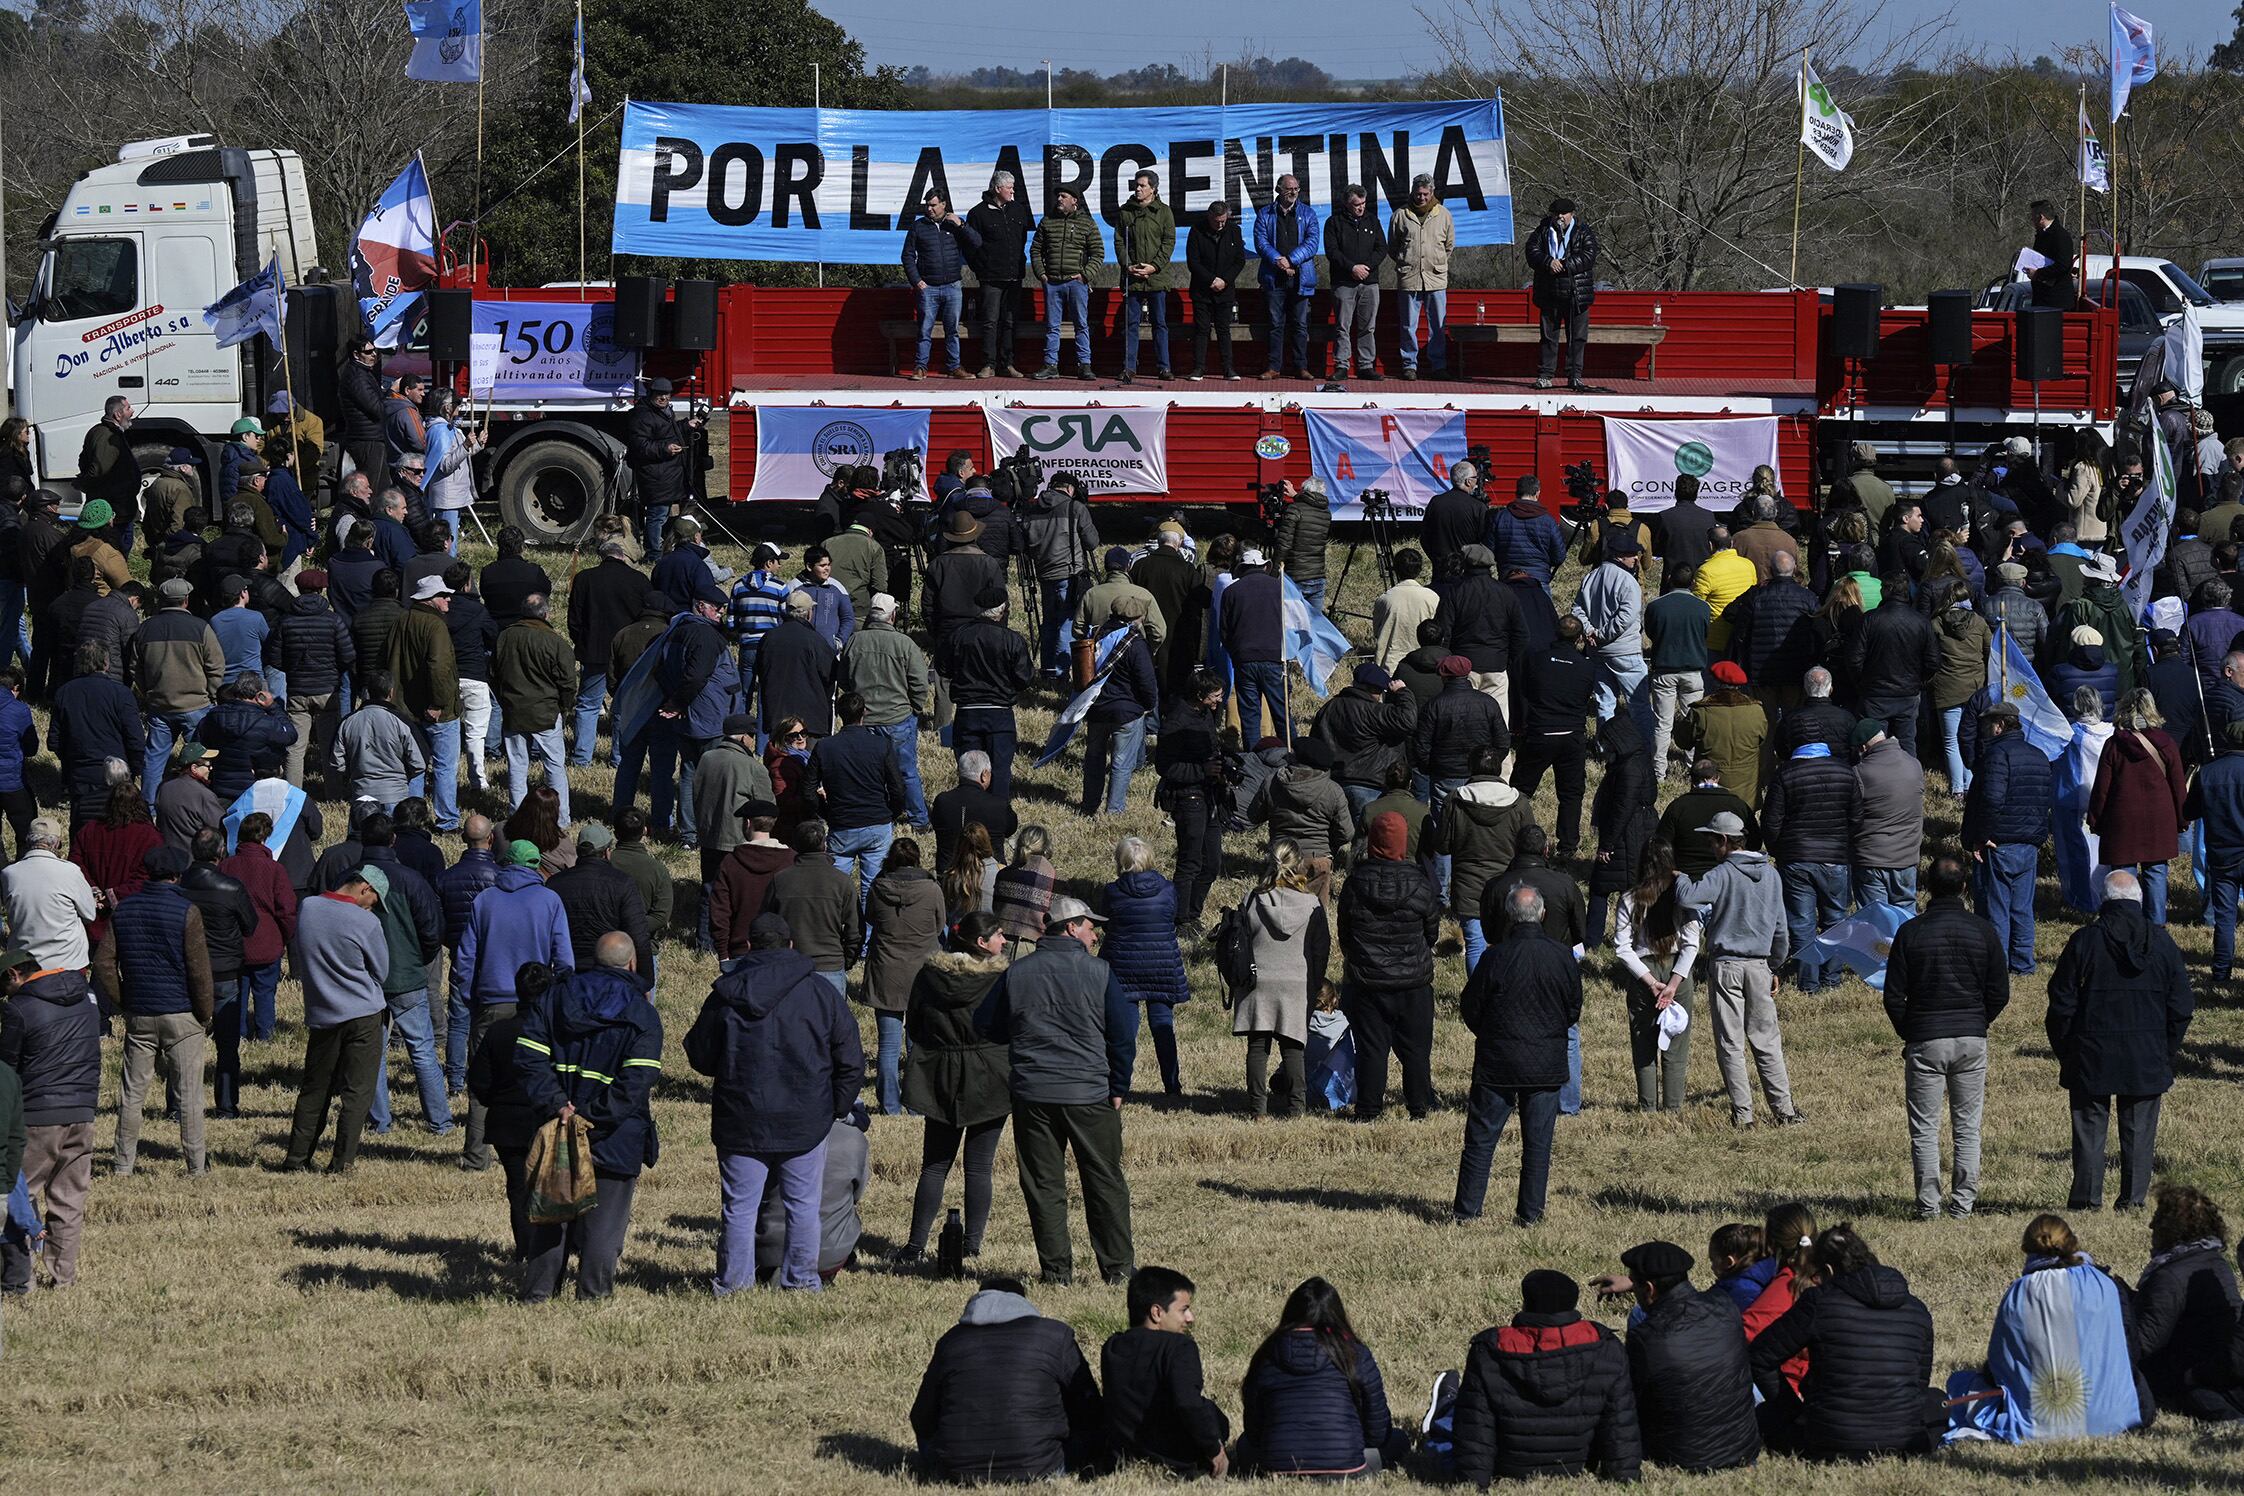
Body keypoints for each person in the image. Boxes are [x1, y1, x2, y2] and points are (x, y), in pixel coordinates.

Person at [683, 910, 862, 1295]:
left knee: (740, 1208)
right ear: (792, 945)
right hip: (806, 1117)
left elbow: (699, 1055)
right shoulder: (820, 994)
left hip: (741, 1115)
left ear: (748, 946)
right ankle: (800, 1280)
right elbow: (850, 1058)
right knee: (803, 1206)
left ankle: (734, 1285)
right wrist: (836, 1108)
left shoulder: (726, 994)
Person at [974, 894, 1134, 1286]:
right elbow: (1123, 1033)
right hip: (1089, 1094)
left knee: (1044, 1186)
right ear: (1072, 927)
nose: (1095, 935)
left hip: (1034, 1094)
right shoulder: (1100, 973)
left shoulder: (1017, 971)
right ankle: (1118, 1270)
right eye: (1090, 926)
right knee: (1104, 1182)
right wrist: (1119, 1084)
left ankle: (1057, 1272)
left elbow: (986, 1025)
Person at [516, 934, 663, 1302]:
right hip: (616, 1134)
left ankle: (537, 1294)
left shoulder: (554, 997)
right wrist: (594, 1118)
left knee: (552, 1216)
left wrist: (559, 1107)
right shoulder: (642, 1012)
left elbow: (529, 1057)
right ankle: (593, 1297)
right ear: (631, 964)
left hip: (560, 1127)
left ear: (595, 961)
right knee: (605, 1226)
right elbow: (636, 1082)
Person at [2047, 868, 2192, 1212]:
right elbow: (2182, 1005)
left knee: (2088, 1129)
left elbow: (2061, 1003)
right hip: (2146, 1052)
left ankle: (2086, 1200)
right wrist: (2165, 1050)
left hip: (2091, 1051)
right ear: (2140, 900)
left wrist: (2067, 1050)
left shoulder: (2084, 941)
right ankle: (2133, 1200)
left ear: (2104, 900)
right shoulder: (2162, 942)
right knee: (2140, 1131)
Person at [1880, 854, 2008, 1220]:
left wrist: (1912, 1030)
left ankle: (1928, 1206)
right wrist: (1978, 1022)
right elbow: (2000, 990)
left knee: (1924, 1129)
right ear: (1965, 887)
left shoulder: (1911, 932)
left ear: (1927, 888)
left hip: (1926, 1038)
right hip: (1970, 1037)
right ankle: (1963, 1205)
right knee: (1967, 1128)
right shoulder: (1983, 930)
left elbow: (1893, 995)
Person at [1945, 1214, 2148, 1443]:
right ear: (2073, 1241)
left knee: (1961, 1383)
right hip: (2117, 1417)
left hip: (2040, 1421)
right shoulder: (2104, 1282)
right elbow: (2130, 1348)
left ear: (2026, 1248)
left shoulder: (2019, 1293)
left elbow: (1999, 1366)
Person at [1747, 1223, 1939, 1460]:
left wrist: (1791, 1409)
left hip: (1828, 1440)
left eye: (1816, 1276)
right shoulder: (1917, 1310)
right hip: (1905, 1441)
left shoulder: (1819, 1302)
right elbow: (1918, 1384)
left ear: (1827, 1271)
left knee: (1761, 1415)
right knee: (1937, 1400)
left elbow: (1759, 1356)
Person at [1453, 885, 1578, 1227]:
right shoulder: (1562, 956)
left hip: (1498, 1062)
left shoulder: (1494, 957)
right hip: (1545, 1063)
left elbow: (1470, 1007)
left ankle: (1467, 1211)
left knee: (1480, 1141)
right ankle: (1530, 1214)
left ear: (1509, 916)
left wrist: (1492, 1036)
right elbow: (1573, 1008)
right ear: (1542, 914)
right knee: (1538, 1145)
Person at [1451, 1269, 1642, 1485]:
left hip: (1508, 1466)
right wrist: (1625, 1479)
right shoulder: (1605, 1346)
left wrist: (1473, 1484)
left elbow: (1476, 1426)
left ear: (1526, 1303)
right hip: (1576, 1463)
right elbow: (1620, 1423)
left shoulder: (1489, 1350)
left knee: (1450, 1415)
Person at [1673, 811, 1802, 1129]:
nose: (1710, 846)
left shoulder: (1723, 873)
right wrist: (1774, 965)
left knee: (1730, 1043)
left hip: (1727, 964)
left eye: (1712, 840)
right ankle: (1784, 1110)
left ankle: (1744, 1114)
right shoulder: (1772, 875)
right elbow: (1781, 927)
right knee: (1767, 1041)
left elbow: (1688, 897)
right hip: (1760, 964)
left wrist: (1677, 876)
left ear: (1725, 841)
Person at [1586, 1242, 1760, 1474]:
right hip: (1743, 1447)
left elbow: (1631, 1401)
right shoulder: (1725, 1306)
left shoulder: (1646, 1338)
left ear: (1648, 1288)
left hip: (1682, 1455)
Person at [911, 1275, 1106, 1481]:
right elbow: (1090, 1408)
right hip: (1041, 1465)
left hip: (957, 1471)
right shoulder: (1055, 1335)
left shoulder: (951, 1342)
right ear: (1023, 1302)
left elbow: (922, 1417)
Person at [92, 847, 213, 1175]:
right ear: (176, 875)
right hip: (181, 1013)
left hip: (141, 1013)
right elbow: (199, 971)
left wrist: (124, 1001)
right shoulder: (187, 911)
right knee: (188, 1095)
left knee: (132, 1092)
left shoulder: (124, 910)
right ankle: (196, 1166)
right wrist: (204, 1014)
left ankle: (122, 1164)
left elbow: (103, 962)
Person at [899, 911, 1012, 1261]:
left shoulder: (929, 974)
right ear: (982, 943)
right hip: (990, 1074)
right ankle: (972, 1246)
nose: (1004, 941)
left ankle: (915, 1245)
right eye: (998, 935)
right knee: (979, 1167)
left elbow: (914, 1024)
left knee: (934, 1165)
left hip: (939, 1074)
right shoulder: (1001, 979)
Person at [1236, 1276, 1408, 1477]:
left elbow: (1254, 1429)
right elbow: (1378, 1429)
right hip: (1346, 1466)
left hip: (1277, 1466)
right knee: (1399, 1440)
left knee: (1243, 1445)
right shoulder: (1354, 1351)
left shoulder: (1268, 1352)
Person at [279, 872, 389, 1173]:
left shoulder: (310, 908)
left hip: (323, 1013)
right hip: (363, 1013)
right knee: (357, 1091)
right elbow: (382, 970)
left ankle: (296, 1158)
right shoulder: (367, 923)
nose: (372, 908)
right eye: (374, 901)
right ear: (365, 888)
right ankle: (342, 1162)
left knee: (315, 1089)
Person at [1337, 812, 1440, 1122]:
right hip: (1413, 982)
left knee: (1371, 1049)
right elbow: (1430, 932)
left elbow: (1345, 932)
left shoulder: (1355, 884)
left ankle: (1369, 1109)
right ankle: (1418, 1107)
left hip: (1368, 983)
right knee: (1416, 1051)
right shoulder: (1420, 883)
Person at [1228, 839, 1329, 1120]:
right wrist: (1314, 983)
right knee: (1293, 1047)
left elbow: (1240, 940)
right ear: (1298, 864)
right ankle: (1297, 1108)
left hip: (1258, 978)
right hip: (1296, 980)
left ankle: (1257, 1109)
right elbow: (1321, 948)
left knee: (1258, 1047)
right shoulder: (1311, 904)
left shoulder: (1251, 899)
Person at [1102, 1266, 1231, 1476]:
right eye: (1183, 1309)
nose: (1190, 1318)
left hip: (1123, 1461)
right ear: (1157, 1312)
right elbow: (1188, 1404)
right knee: (1210, 1412)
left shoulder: (1112, 1347)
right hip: (1176, 1462)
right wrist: (1214, 1449)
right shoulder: (1179, 1347)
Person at [2134, 1184, 2244, 1421]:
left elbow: (2145, 1342)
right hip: (2218, 1363)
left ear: (2172, 1227)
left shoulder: (2170, 1275)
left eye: (2158, 1218)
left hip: (2190, 1370)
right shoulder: (2215, 1262)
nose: (2151, 1226)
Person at [1762, 730, 1859, 993]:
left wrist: (1778, 850)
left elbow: (1771, 822)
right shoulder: (1846, 772)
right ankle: (1833, 978)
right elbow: (1857, 817)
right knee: (1836, 919)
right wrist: (1844, 845)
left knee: (1801, 923)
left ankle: (1809, 982)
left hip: (1796, 857)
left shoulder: (1785, 773)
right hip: (1835, 857)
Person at [1963, 704, 2052, 973]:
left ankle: (1997, 965)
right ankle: (2023, 963)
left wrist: (1981, 835)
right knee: (2022, 908)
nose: (1985, 731)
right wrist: (2038, 836)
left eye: (1988, 725)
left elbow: (1991, 798)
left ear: (1999, 725)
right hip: (2029, 843)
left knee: (1996, 908)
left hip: (1999, 843)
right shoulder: (2039, 755)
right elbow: (2044, 800)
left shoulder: (1996, 755)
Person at [1614, 839, 1701, 1113]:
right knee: (1676, 1045)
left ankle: (1647, 1107)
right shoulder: (1683, 897)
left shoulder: (1630, 898)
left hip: (1644, 974)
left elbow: (1621, 947)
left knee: (1644, 1043)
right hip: (1678, 970)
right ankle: (1673, 1108)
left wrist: (1651, 982)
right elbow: (1692, 943)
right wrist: (1674, 983)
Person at [863, 838, 945, 1115]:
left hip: (886, 969)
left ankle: (889, 1105)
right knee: (917, 1044)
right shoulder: (932, 889)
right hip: (922, 972)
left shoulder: (877, 887)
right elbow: (939, 925)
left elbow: (871, 918)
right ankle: (916, 1103)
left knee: (887, 1044)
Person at [2089, 688, 2185, 923]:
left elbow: (2102, 787)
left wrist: (2095, 819)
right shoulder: (2166, 743)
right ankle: (2156, 926)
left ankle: (2125, 922)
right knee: (2156, 873)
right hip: (2159, 818)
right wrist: (2183, 819)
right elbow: (2178, 786)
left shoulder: (2114, 745)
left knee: (2122, 873)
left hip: (2122, 819)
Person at [1439, 746, 1531, 972]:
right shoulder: (1518, 802)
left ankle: (1477, 997)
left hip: (1468, 884)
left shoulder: (1455, 800)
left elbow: (1442, 844)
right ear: (1499, 769)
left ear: (1470, 767)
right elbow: (1530, 844)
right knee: (1507, 944)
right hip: (1507, 884)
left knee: (1475, 944)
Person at [1512, 617, 1596, 856]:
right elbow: (1584, 696)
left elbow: (1526, 689)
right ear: (1579, 639)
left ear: (1555, 634)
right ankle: (1568, 845)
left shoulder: (1537, 660)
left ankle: (1514, 833)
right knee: (1571, 794)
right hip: (1572, 736)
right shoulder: (1586, 666)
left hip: (1540, 732)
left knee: (1521, 790)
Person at [902, 188, 982, 379]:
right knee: (924, 329)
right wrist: (917, 281)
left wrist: (961, 224)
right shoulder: (918, 226)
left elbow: (977, 242)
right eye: (927, 205)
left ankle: (954, 367)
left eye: (933, 205)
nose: (929, 209)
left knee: (952, 330)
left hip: (953, 286)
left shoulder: (954, 225)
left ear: (944, 205)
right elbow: (907, 255)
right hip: (928, 287)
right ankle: (921, 367)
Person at [1029, 185, 1104, 380]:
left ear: (1074, 200)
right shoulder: (1047, 222)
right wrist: (1042, 274)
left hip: (1076, 283)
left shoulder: (1087, 223)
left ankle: (1085, 365)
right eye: (1058, 196)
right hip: (1052, 283)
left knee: (1081, 324)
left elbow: (1098, 253)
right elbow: (1035, 249)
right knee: (1052, 326)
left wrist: (1085, 275)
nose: (1059, 199)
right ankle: (1050, 365)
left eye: (1063, 196)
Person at [1851, 719, 1926, 909]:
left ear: (1863, 747)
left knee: (1876, 921)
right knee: (1906, 915)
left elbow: (1852, 815)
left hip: (1871, 858)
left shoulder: (1860, 772)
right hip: (1907, 857)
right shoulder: (1914, 764)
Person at [1525, 197, 1598, 390]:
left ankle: (1574, 375)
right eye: (1556, 214)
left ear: (1572, 214)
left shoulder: (1583, 231)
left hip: (1576, 294)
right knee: (1548, 337)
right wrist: (1548, 262)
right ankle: (1546, 375)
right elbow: (1531, 252)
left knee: (1577, 337)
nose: (1560, 217)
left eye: (1563, 214)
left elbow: (1589, 255)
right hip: (1549, 292)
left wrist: (1564, 265)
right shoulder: (1542, 230)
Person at [1645, 564, 1710, 777]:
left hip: (1665, 669)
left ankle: (1658, 771)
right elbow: (1704, 633)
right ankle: (1693, 766)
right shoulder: (1702, 607)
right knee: (1693, 722)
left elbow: (1651, 632)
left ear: (1670, 578)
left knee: (1662, 724)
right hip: (1693, 670)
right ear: (1692, 582)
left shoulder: (1656, 606)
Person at [966, 171, 1033, 377]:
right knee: (990, 321)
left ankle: (1008, 363)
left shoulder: (1019, 210)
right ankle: (989, 364)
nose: (1013, 190)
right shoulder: (977, 213)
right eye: (1009, 187)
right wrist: (982, 268)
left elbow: (1022, 240)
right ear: (997, 189)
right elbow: (970, 247)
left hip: (1014, 277)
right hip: (990, 278)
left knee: (1010, 322)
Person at [623, 377, 699, 555]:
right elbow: (640, 446)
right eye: (660, 395)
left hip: (666, 473)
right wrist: (665, 449)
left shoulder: (664, 411)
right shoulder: (642, 415)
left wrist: (686, 425)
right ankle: (653, 553)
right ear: (651, 394)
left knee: (664, 515)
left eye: (667, 394)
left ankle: (662, 547)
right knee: (656, 515)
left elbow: (666, 432)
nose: (664, 398)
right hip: (655, 474)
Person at [1390, 172, 1455, 379]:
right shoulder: (1400, 214)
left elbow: (1449, 246)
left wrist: (1435, 262)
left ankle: (1438, 365)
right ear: (1413, 192)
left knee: (1438, 325)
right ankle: (1409, 364)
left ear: (1432, 192)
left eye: (1426, 194)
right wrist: (1407, 260)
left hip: (1436, 279)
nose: (1422, 198)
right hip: (1409, 279)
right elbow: (1393, 247)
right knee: (1408, 325)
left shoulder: (1444, 214)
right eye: (1418, 194)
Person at [1254, 174, 1319, 378]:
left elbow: (1312, 242)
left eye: (1296, 189)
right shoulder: (1265, 214)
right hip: (1274, 278)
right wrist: (1278, 261)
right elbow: (1261, 242)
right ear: (1278, 190)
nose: (1293, 192)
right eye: (1289, 189)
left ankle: (1301, 367)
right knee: (1275, 325)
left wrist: (1290, 260)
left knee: (1300, 324)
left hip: (1301, 278)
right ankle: (1274, 367)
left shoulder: (1308, 214)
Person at [1114, 170, 1175, 383]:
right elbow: (1119, 241)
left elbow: (1168, 242)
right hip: (1133, 278)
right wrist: (1128, 266)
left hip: (1156, 277)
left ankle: (1164, 367)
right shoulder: (1125, 212)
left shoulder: (1164, 212)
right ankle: (1129, 367)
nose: (1137, 189)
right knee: (1131, 324)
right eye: (1136, 185)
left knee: (1160, 323)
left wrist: (1154, 267)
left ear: (1153, 189)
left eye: (1142, 186)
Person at [1323, 184, 1386, 380]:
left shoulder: (1373, 221)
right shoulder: (1334, 223)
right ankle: (1341, 365)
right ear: (1347, 204)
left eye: (1363, 203)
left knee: (1368, 326)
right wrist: (1352, 268)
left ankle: (1366, 365)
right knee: (1343, 325)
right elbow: (1332, 252)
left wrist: (1366, 267)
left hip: (1370, 282)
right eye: (1356, 204)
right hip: (1343, 282)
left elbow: (1381, 248)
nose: (1360, 208)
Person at [1184, 200, 1246, 381]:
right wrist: (1211, 279)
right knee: (1202, 329)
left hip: (1225, 290)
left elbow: (1239, 260)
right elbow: (1193, 262)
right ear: (1209, 217)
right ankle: (1198, 368)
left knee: (1223, 329)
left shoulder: (1234, 231)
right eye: (1217, 221)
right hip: (1202, 290)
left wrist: (1225, 280)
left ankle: (1228, 368)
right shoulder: (1196, 231)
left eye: (1223, 221)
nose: (1220, 225)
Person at [992, 824, 1059, 945]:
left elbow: (995, 909)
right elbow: (1057, 917)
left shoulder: (1003, 875)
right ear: (1046, 847)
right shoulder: (1050, 875)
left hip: (1001, 942)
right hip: (1033, 945)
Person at [2027, 199, 2076, 308]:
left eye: (2033, 217)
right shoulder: (2042, 235)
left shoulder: (2060, 236)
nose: (2031, 220)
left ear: (2041, 217)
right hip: (2044, 298)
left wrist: (2038, 274)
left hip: (2056, 301)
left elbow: (2063, 265)